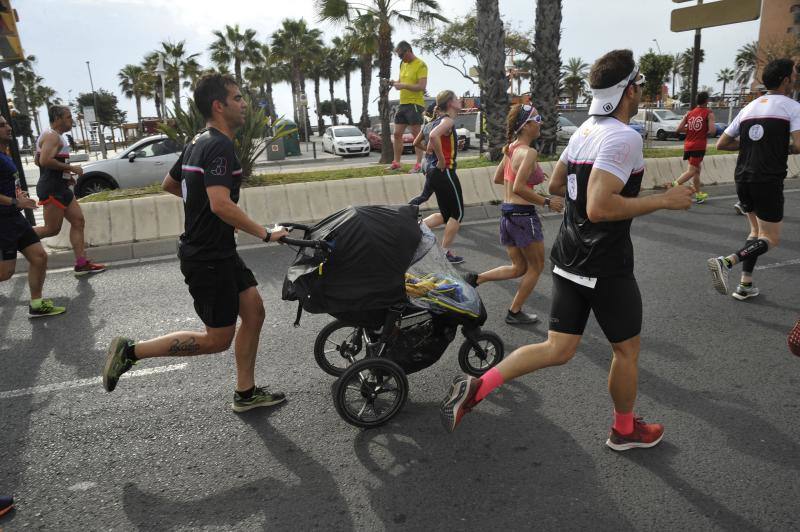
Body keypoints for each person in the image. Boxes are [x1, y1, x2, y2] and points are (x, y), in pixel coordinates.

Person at [439, 50, 694, 451]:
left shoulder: (584, 131)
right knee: (625, 351)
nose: (642, 90)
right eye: (640, 84)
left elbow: (560, 187)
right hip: (605, 264)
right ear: (628, 90)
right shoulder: (623, 136)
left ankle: (478, 385)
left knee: (557, 347)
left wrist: (627, 192)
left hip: (569, 257)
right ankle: (624, 430)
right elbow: (599, 206)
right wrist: (665, 200)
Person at [101, 73, 289, 412]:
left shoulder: (198, 140)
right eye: (236, 98)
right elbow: (220, 203)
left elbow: (171, 184)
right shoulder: (218, 145)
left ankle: (245, 394)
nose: (244, 104)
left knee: (255, 312)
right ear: (219, 106)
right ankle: (131, 351)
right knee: (217, 340)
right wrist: (264, 233)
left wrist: (211, 217)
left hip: (218, 252)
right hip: (207, 257)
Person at [707, 58, 800, 301]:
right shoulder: (792, 107)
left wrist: (752, 145)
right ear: (785, 80)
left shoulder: (748, 108)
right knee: (771, 238)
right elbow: (799, 144)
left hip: (743, 177)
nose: (796, 78)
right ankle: (726, 262)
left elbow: (722, 143)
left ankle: (745, 284)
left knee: (756, 231)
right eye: (794, 74)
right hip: (767, 179)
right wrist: (781, 149)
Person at [464, 103, 564, 325]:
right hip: (523, 216)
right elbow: (519, 188)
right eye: (537, 120)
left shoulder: (511, 149)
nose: (541, 123)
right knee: (536, 267)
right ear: (526, 125)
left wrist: (530, 178)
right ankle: (515, 311)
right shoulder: (529, 152)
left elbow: (499, 179)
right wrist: (547, 201)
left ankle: (476, 279)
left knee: (519, 267)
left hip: (507, 214)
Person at [0, 115, 65, 318]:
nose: (8, 127)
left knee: (39, 257)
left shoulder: (5, 154)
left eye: (6, 123)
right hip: (2, 222)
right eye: (2, 125)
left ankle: (36, 304)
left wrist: (17, 196)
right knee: (5, 272)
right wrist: (13, 202)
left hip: (15, 218)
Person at [33, 105, 105, 277]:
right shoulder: (52, 136)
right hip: (52, 188)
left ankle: (81, 264)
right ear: (57, 119)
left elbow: (37, 160)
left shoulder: (51, 135)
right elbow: (44, 160)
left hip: (61, 186)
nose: (71, 120)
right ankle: (13, 235)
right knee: (52, 229)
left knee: (78, 221)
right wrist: (71, 167)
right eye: (67, 117)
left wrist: (64, 174)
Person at [422, 90, 465, 264]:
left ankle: (414, 229)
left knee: (446, 214)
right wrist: (441, 160)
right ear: (449, 103)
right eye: (456, 98)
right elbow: (433, 136)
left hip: (436, 173)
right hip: (445, 171)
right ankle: (445, 253)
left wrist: (452, 149)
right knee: (457, 214)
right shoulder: (447, 120)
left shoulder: (437, 121)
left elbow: (427, 143)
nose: (459, 100)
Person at [388, 41, 427, 172]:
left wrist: (404, 85)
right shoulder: (402, 64)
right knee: (397, 133)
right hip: (403, 104)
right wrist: (394, 83)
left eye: (401, 55)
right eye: (398, 56)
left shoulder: (421, 65)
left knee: (416, 136)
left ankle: (419, 164)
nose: (400, 58)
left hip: (415, 104)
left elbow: (421, 87)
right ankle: (397, 163)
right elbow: (401, 82)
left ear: (409, 50)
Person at [672, 91, 715, 204]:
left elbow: (678, 130)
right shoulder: (708, 113)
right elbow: (712, 131)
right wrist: (702, 130)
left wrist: (692, 129)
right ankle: (673, 186)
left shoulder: (689, 113)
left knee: (697, 171)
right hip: (698, 146)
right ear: (706, 101)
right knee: (692, 171)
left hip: (688, 145)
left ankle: (698, 195)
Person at [408, 103, 438, 206]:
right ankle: (405, 210)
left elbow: (415, 143)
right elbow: (435, 142)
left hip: (426, 163)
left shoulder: (426, 126)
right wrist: (431, 150)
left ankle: (407, 209)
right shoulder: (438, 125)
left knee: (425, 196)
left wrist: (427, 150)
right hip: (435, 164)